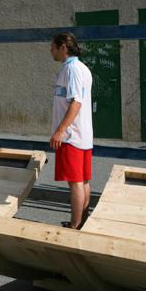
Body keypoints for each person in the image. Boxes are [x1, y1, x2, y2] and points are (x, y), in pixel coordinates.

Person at [49, 32, 93, 229]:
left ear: (63, 48)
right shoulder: (80, 68)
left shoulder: (72, 70)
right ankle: (81, 221)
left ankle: (75, 226)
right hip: (81, 135)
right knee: (82, 180)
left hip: (72, 136)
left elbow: (76, 102)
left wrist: (60, 130)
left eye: (53, 47)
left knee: (75, 182)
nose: (51, 50)